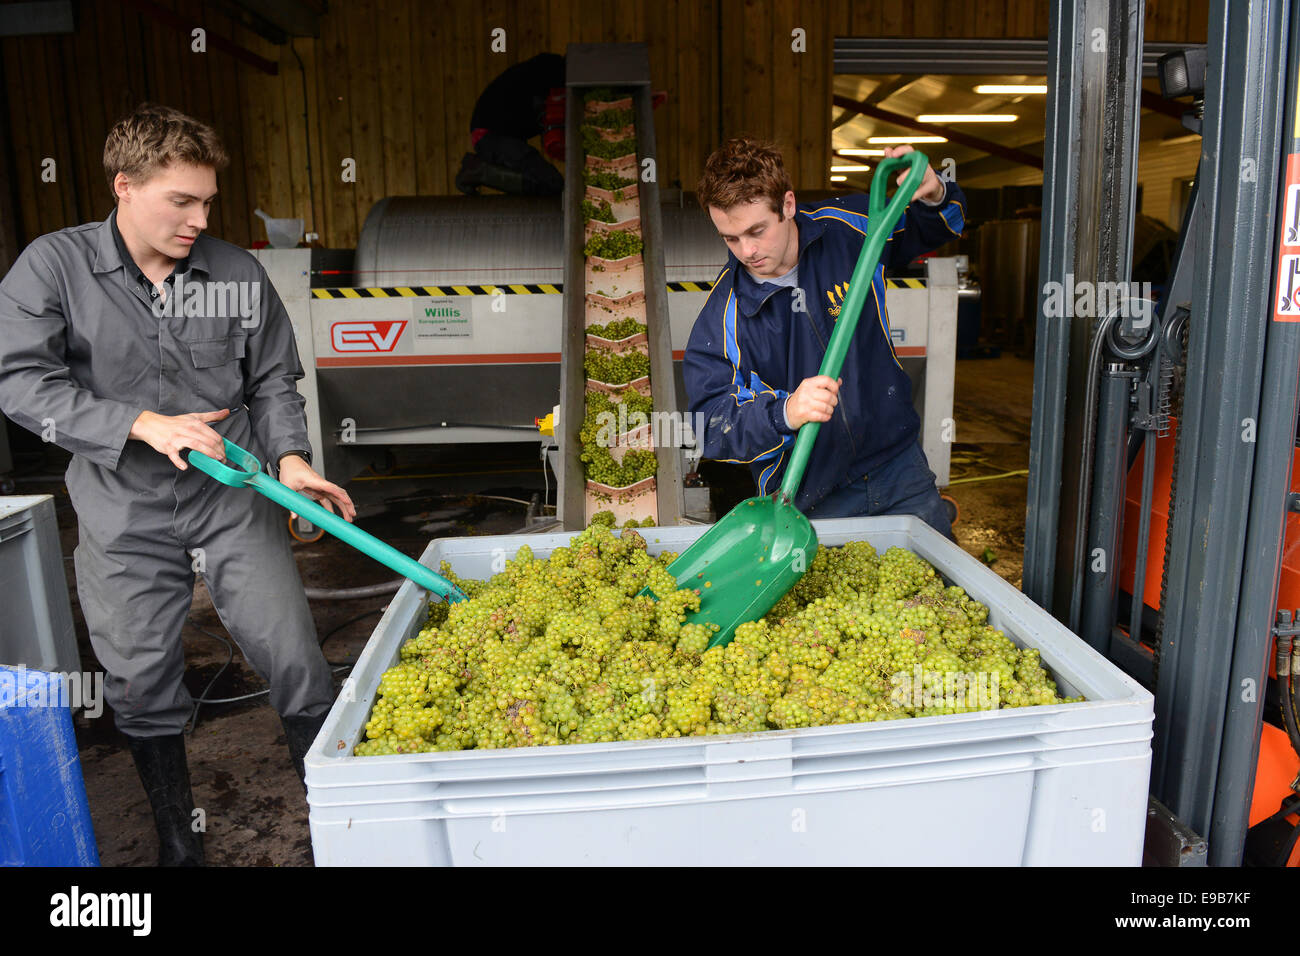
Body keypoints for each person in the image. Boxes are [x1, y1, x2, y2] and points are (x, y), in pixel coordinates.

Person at [0, 103, 356, 866]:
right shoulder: (55, 267)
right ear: (124, 186)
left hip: (232, 492)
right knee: (137, 675)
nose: (200, 219)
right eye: (181, 201)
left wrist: (291, 460)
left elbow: (272, 380)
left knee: (293, 652)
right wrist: (139, 422)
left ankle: (338, 829)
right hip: (120, 502)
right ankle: (176, 843)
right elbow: (20, 383)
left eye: (207, 201)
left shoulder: (232, 272)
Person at [684, 137, 967, 538]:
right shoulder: (725, 315)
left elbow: (938, 227)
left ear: (787, 205)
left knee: (942, 594)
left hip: (900, 471)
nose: (746, 251)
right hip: (810, 498)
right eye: (730, 238)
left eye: (756, 231)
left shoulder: (852, 228)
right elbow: (710, 425)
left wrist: (934, 192)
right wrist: (784, 412)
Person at [455, 52, 566, 196]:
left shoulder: (548, 68)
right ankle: (479, 171)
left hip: (491, 135)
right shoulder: (554, 70)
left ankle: (479, 170)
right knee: (552, 183)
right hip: (492, 136)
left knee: (547, 182)